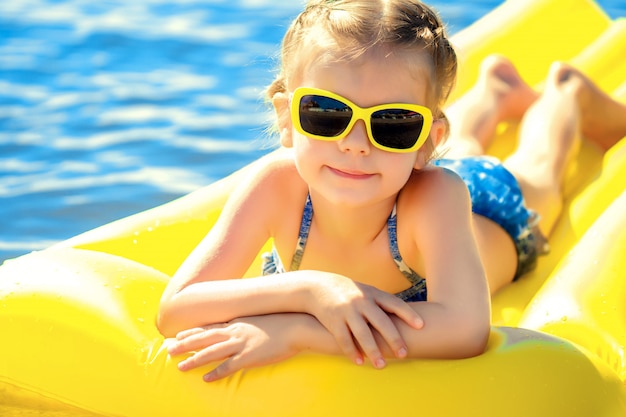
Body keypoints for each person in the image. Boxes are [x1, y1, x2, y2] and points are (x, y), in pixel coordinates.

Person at [157, 0, 626, 383]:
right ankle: (496, 92)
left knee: (539, 172)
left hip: (487, 209)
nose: (355, 145)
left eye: (395, 122)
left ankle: (565, 91)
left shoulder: (438, 194)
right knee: (435, 153)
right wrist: (314, 288)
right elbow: (177, 309)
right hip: (401, 172)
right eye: (327, 113)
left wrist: (300, 330)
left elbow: (465, 330)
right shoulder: (276, 185)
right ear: (286, 116)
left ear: (425, 141)